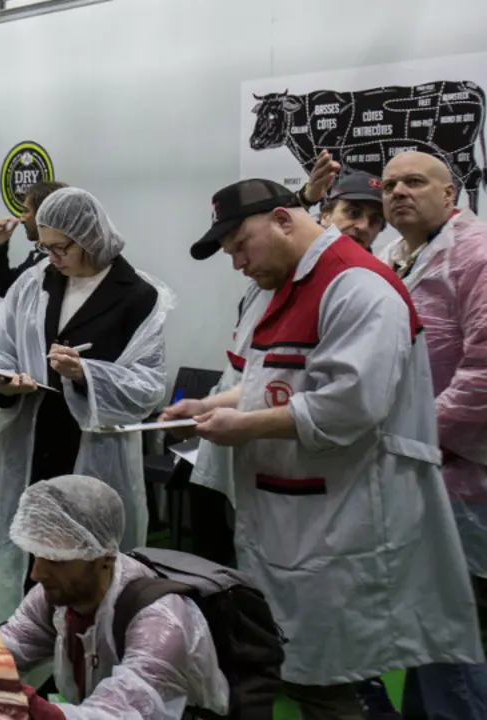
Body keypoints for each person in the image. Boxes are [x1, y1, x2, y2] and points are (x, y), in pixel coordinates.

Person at [163, 177, 483, 719]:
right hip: (293, 519)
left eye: (240, 245)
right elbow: (280, 381)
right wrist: (216, 406)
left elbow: (350, 406)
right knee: (303, 671)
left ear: (284, 220)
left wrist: (242, 427)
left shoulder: (357, 287)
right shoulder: (289, 287)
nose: (237, 263)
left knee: (328, 679)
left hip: (344, 523)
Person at [0, 187, 170, 621]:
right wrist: (4, 384)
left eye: (60, 247)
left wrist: (87, 375)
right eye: (44, 246)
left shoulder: (138, 296)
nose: (52, 256)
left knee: (85, 566)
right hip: (31, 440)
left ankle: (88, 650)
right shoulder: (36, 281)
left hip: (93, 453)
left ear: (90, 238)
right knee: (29, 555)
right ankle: (28, 639)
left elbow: (147, 386)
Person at [0, 475, 229, 719]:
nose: (37, 573)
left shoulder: (161, 623)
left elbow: (113, 715)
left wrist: (14, 698)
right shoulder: (58, 595)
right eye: (36, 555)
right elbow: (13, 646)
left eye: (58, 560)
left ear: (104, 559)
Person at [376, 151, 487, 718]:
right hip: (420, 465)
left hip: (463, 470)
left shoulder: (475, 254)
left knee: (448, 623)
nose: (398, 191)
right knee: (428, 618)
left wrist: (414, 436)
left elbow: (484, 373)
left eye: (415, 182)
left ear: (451, 194)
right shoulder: (399, 257)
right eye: (390, 183)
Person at [0, 180, 68, 297]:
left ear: (44, 214)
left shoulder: (60, 261)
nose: (22, 219)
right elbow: (7, 288)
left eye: (26, 211)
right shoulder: (40, 253)